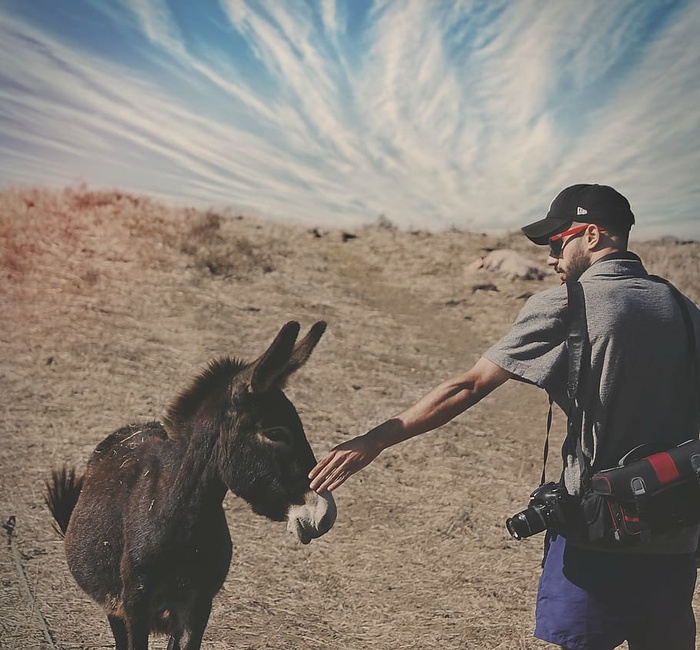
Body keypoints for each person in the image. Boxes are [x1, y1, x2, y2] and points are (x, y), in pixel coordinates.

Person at [309, 184, 700, 650]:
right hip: (676, 535)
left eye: (557, 243)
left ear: (591, 235)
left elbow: (470, 385)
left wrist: (375, 440)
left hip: (597, 537)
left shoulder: (569, 303)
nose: (553, 258)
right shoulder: (685, 309)